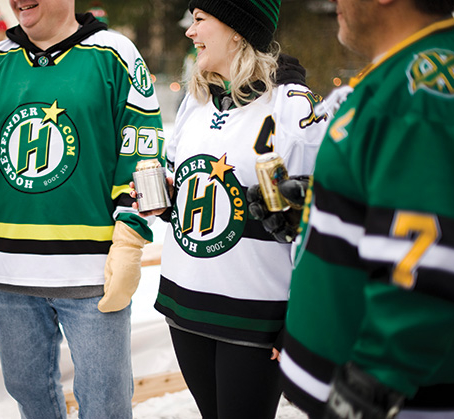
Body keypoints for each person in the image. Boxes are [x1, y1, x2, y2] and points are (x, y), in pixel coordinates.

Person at [0, 0, 163, 418]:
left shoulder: (115, 55)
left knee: (106, 405)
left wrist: (130, 239)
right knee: (30, 398)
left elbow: (142, 156)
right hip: (7, 277)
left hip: (93, 277)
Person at [251, 0, 454, 418]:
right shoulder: (398, 75)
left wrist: (368, 394)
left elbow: (427, 263)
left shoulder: (415, 93)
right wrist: (314, 213)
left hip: (399, 404)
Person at [137, 0, 328, 417]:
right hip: (185, 304)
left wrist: (303, 321)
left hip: (254, 316)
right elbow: (194, 193)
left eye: (201, 20)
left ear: (239, 30)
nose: (190, 32)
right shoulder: (197, 101)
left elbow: (316, 223)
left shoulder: (290, 104)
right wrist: (170, 203)